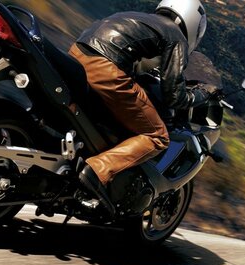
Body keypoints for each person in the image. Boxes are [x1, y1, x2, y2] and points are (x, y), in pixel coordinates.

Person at [69, 0, 210, 210]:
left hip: (78, 54)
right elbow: (173, 96)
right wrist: (200, 95)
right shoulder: (176, 37)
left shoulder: (144, 19)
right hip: (106, 68)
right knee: (157, 136)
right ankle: (97, 170)